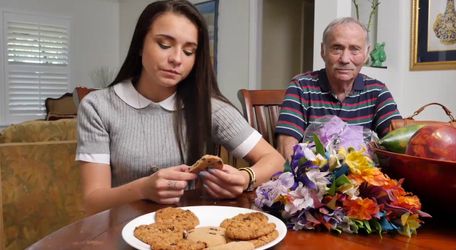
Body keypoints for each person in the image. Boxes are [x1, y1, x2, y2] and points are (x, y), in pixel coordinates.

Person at [76, 0, 285, 215]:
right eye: (164, 45)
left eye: (188, 51)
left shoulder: (210, 109)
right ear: (140, 45)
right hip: (122, 230)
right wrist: (142, 189)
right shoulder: (99, 107)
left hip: (189, 232)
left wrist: (245, 178)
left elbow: (276, 160)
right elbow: (93, 201)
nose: (176, 59)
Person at [276, 17, 401, 161]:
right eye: (337, 48)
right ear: (323, 51)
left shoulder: (377, 91)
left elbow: (398, 143)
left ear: (366, 54)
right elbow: (286, 151)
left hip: (365, 178)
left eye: (355, 49)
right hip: (314, 179)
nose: (345, 59)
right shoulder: (301, 87)